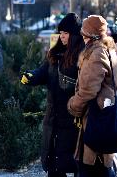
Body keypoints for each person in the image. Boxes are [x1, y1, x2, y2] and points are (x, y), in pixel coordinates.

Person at [20, 13, 84, 177]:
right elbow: (43, 72)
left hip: (73, 116)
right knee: (54, 163)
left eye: (66, 33)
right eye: (61, 33)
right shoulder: (55, 54)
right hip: (54, 115)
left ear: (75, 35)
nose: (62, 37)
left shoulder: (83, 56)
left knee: (75, 161)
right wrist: (31, 77)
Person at [67, 15, 117, 177]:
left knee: (92, 165)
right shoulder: (108, 49)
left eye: (83, 33)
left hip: (96, 117)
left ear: (88, 35)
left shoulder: (96, 54)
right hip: (106, 112)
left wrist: (74, 106)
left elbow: (88, 90)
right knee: (101, 165)